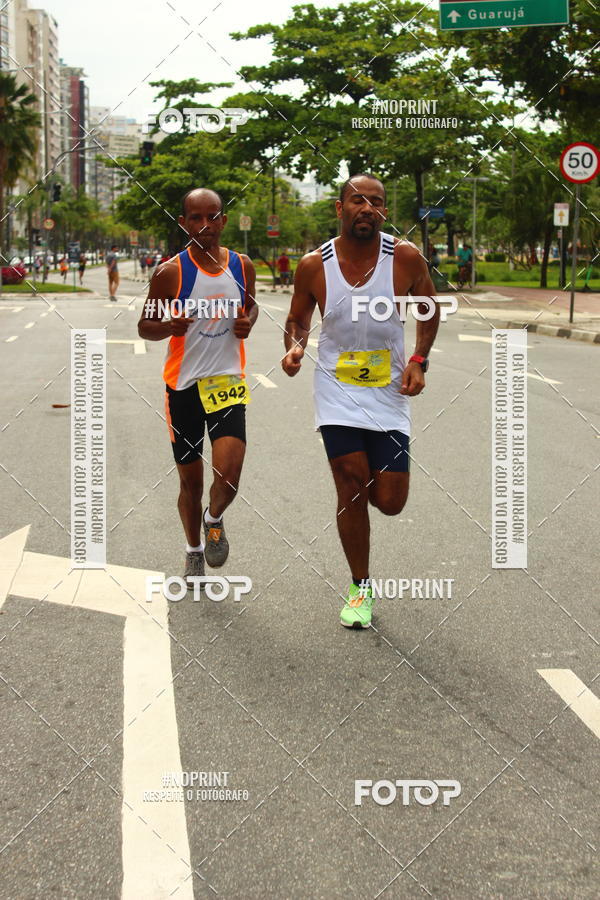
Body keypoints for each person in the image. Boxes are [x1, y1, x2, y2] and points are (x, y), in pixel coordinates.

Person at [282, 173, 439, 629]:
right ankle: (360, 586)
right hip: (337, 388)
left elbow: (428, 311)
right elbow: (297, 319)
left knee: (390, 501)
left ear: (384, 211)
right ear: (340, 208)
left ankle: (369, 493)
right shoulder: (314, 265)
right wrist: (295, 346)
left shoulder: (405, 258)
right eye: (358, 200)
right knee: (350, 483)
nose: (367, 208)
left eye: (377, 202)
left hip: (388, 391)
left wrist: (418, 359)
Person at [138, 188, 258, 585]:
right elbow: (145, 326)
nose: (205, 225)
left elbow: (250, 305)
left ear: (223, 220)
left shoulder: (242, 266)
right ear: (183, 222)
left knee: (229, 473)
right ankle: (193, 550)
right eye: (195, 218)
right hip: (183, 387)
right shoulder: (170, 273)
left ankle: (214, 518)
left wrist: (249, 321)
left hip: (226, 381)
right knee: (191, 481)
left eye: (212, 216)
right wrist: (167, 327)